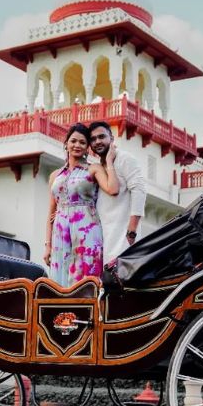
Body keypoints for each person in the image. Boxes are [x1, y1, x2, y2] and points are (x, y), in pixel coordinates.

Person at [45, 123, 119, 287]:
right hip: (60, 232)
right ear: (66, 144)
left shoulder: (93, 169)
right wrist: (47, 245)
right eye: (73, 141)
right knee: (59, 280)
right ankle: (62, 313)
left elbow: (113, 189)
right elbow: (51, 213)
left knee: (85, 277)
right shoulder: (55, 176)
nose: (77, 145)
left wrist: (109, 162)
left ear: (87, 148)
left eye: (82, 142)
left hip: (87, 230)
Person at [88, 121, 146, 265]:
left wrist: (132, 231)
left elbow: (139, 190)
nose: (97, 141)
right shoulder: (97, 166)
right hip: (104, 236)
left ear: (112, 138)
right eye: (93, 139)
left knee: (122, 280)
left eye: (102, 137)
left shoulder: (124, 158)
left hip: (123, 236)